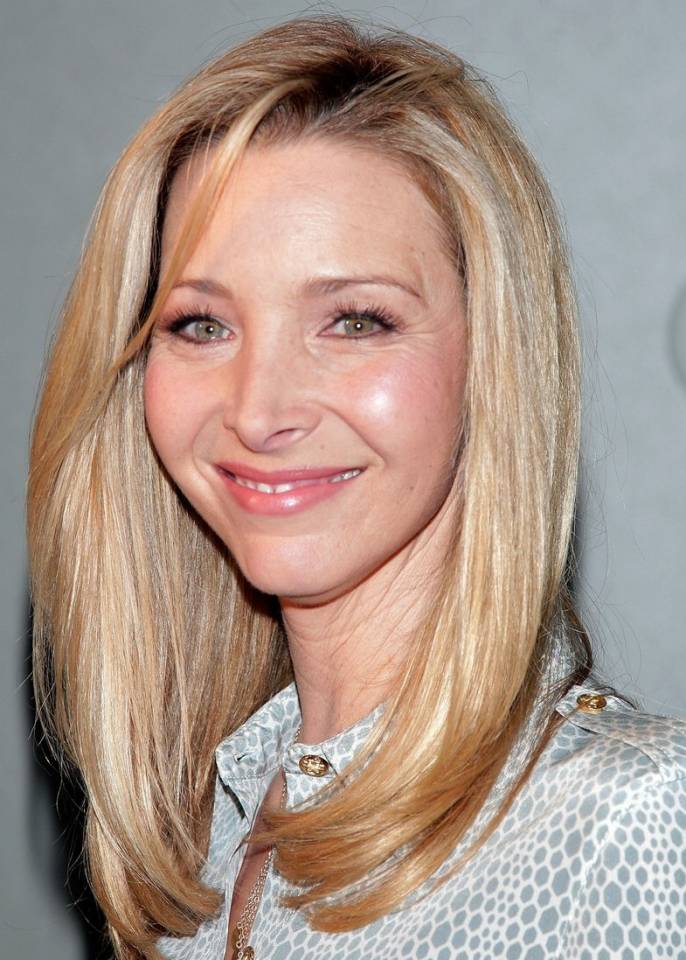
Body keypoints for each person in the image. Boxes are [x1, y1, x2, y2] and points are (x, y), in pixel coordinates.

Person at [27, 14, 686, 960]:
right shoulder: (202, 847)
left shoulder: (629, 823)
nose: (259, 410)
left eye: (355, 321)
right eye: (201, 325)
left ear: (492, 359)